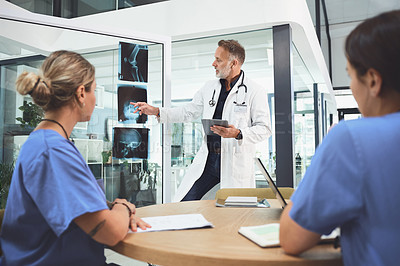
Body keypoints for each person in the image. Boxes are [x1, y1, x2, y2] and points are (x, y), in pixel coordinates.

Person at [0, 50, 150, 265]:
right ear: (81, 93)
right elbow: (109, 233)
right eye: (94, 91)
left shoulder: (46, 142)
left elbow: (77, 204)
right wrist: (123, 207)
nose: (94, 98)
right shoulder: (52, 152)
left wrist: (114, 210)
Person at [279, 10, 400, 266]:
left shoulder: (353, 138)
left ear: (373, 80)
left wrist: (324, 160)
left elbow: (291, 238)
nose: (353, 87)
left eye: (350, 76)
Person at [133, 40, 271, 201]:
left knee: (233, 211)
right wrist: (157, 111)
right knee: (184, 202)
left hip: (234, 164)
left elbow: (264, 128)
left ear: (234, 63)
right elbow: (188, 112)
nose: (214, 63)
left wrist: (238, 133)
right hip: (209, 161)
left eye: (219, 60)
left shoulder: (255, 91)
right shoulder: (209, 87)